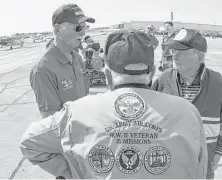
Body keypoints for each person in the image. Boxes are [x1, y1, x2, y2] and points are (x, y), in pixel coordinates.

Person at [21, 29, 208, 179]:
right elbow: (201, 170)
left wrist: (77, 172)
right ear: (151, 73)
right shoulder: (188, 112)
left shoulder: (78, 112)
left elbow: (29, 143)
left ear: (108, 75)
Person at [152, 28, 222, 179]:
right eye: (174, 51)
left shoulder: (216, 82)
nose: (174, 56)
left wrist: (217, 155)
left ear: (200, 56)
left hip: (202, 166)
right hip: (166, 164)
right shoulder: (164, 79)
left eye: (182, 52)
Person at [30, 3, 97, 119]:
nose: (83, 33)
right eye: (78, 28)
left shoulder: (77, 58)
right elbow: (51, 122)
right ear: (58, 30)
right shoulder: (43, 69)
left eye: (85, 27)